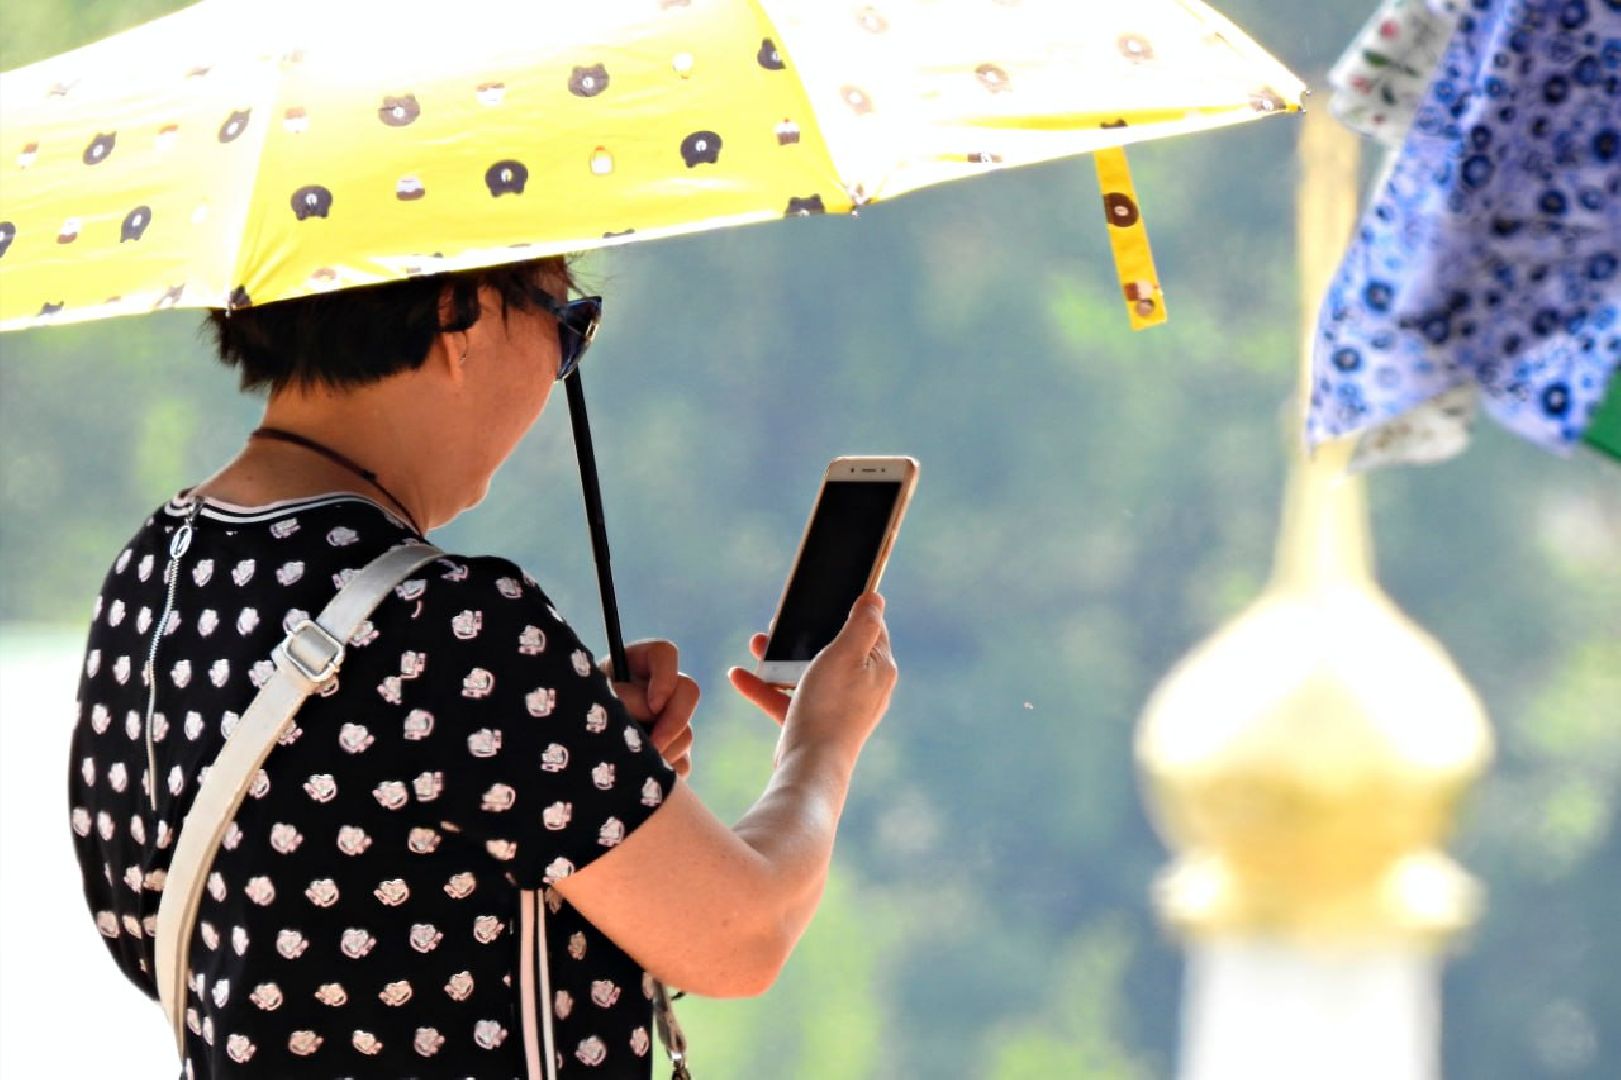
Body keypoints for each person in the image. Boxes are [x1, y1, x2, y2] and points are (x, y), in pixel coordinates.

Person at [67, 255, 898, 1079]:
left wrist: (561, 756)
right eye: (567, 326)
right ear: (460, 314)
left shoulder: (152, 575)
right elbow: (738, 937)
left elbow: (240, 912)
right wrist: (819, 742)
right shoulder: (453, 628)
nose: (560, 367)